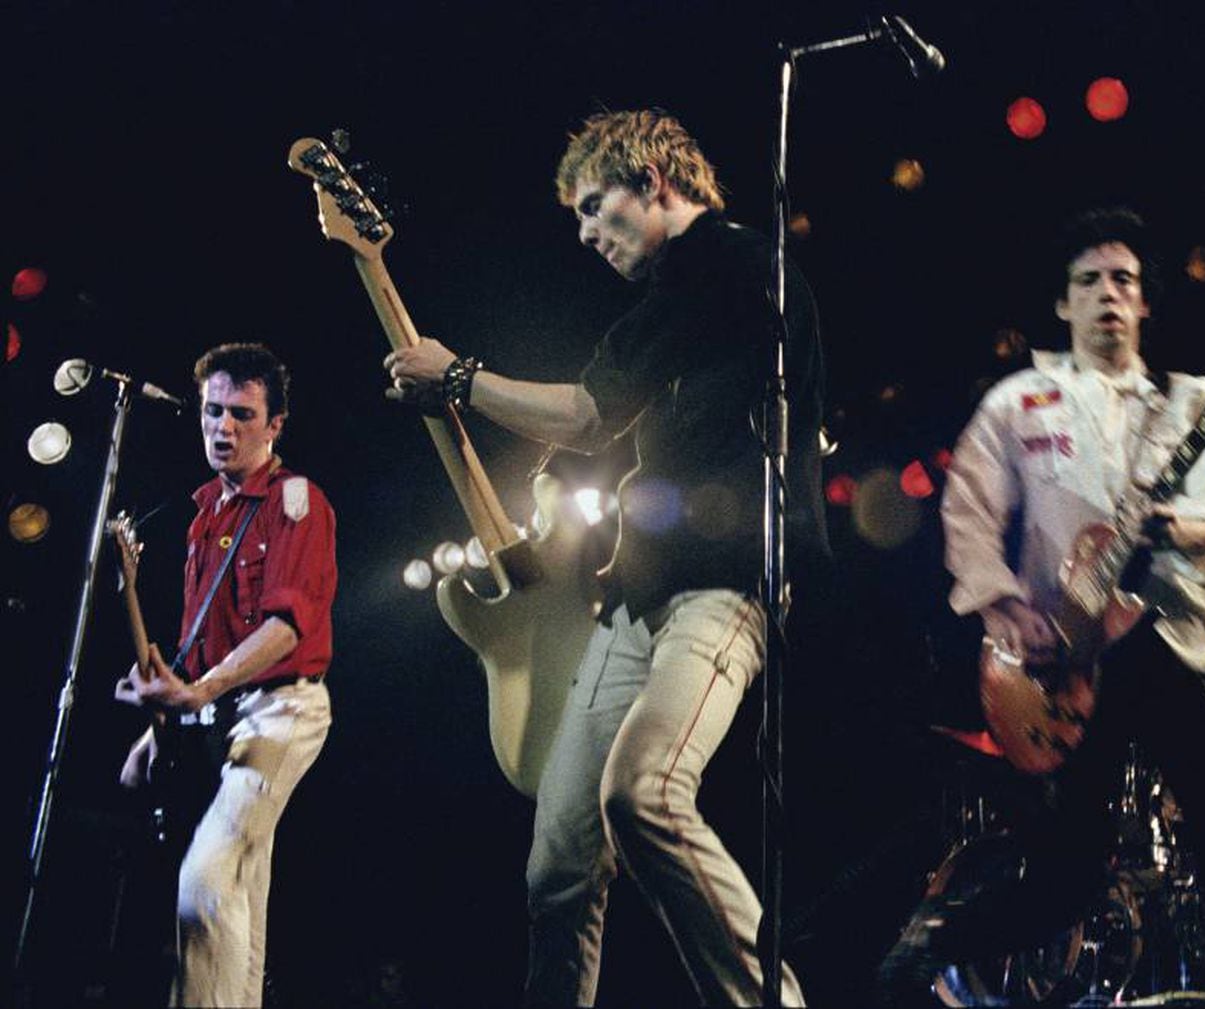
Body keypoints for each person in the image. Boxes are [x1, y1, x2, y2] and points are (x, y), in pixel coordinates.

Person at [385, 109, 826, 1006]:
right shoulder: (680, 298)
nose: (587, 233)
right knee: (557, 859)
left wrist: (460, 377)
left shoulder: (732, 264)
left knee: (646, 794)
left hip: (724, 587)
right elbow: (603, 428)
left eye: (595, 206)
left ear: (653, 184)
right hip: (638, 595)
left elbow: (590, 409)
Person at [878, 208, 1205, 1007]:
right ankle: (934, 939)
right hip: (1062, 665)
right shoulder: (1020, 402)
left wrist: (1175, 523)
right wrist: (1005, 610)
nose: (1109, 294)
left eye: (1125, 281)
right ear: (1063, 304)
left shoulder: (1191, 400)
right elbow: (966, 512)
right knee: (1066, 879)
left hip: (1170, 643)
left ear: (1144, 304)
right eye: (1090, 281)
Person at [116, 342, 336, 1008]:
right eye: (213, 411)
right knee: (240, 897)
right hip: (223, 715)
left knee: (205, 881)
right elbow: (196, 648)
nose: (223, 427)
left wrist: (200, 689)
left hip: (284, 711)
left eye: (242, 413)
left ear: (275, 425)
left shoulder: (296, 499)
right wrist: (160, 724)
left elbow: (287, 628)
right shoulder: (204, 511)